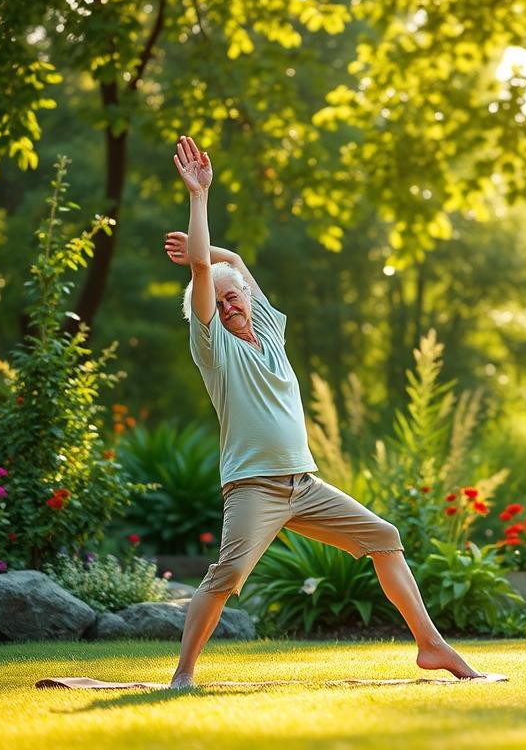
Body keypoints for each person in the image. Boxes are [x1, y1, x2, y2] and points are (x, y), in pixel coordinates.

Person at [165, 136, 483, 688]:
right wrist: (199, 199)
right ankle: (183, 673)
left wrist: (213, 253)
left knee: (384, 537)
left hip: (305, 484)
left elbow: (230, 263)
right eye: (219, 301)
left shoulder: (267, 328)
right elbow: (203, 270)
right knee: (228, 575)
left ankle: (432, 647)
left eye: (235, 296)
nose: (230, 303)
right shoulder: (215, 349)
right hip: (255, 487)